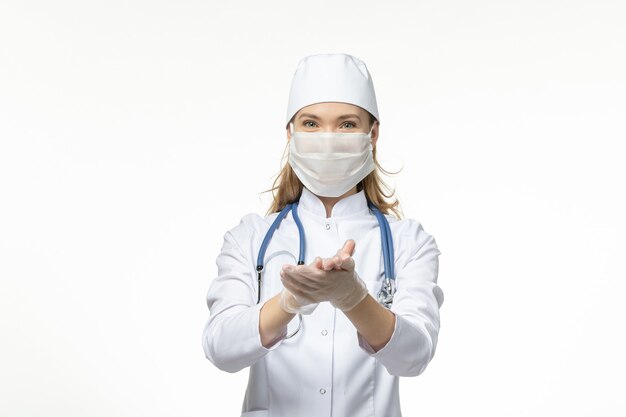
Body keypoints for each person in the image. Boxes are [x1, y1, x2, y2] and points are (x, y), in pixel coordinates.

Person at [202, 53, 444, 417]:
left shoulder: (409, 242)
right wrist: (290, 303)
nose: (328, 139)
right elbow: (221, 348)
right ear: (290, 133)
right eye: (311, 123)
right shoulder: (250, 237)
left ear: (372, 133)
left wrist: (353, 298)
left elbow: (414, 356)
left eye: (347, 125)